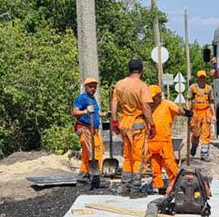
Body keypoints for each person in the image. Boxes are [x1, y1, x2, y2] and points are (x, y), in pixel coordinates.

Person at [111, 59, 155, 196]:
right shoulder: (142, 86)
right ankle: (135, 189)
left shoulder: (119, 84)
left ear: (129, 69)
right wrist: (152, 125)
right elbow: (146, 107)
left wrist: (114, 121)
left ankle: (125, 186)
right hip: (138, 125)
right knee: (139, 157)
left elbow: (114, 103)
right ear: (141, 70)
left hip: (124, 123)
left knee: (128, 156)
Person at [148, 85, 192, 194]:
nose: (152, 100)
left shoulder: (167, 104)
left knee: (169, 163)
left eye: (154, 98)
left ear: (159, 96)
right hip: (151, 141)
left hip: (164, 140)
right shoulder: (147, 106)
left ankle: (176, 182)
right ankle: (159, 187)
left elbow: (178, 109)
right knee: (155, 166)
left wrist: (186, 112)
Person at [72, 77, 106, 183]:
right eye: (90, 87)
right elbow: (75, 112)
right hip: (85, 128)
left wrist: (104, 114)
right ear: (85, 87)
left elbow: (95, 113)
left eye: (94, 87)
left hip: (93, 129)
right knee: (92, 151)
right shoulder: (81, 98)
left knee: (92, 151)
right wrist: (86, 111)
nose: (93, 89)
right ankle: (95, 174)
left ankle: (84, 173)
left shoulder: (93, 99)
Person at [187, 69, 215, 160]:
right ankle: (194, 146)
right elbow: (188, 100)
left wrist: (213, 114)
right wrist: (188, 111)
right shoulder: (193, 88)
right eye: (200, 78)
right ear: (198, 78)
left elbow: (211, 102)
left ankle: (204, 154)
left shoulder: (209, 88)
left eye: (203, 78)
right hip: (195, 113)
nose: (202, 79)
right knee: (196, 133)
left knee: (206, 133)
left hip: (206, 113)